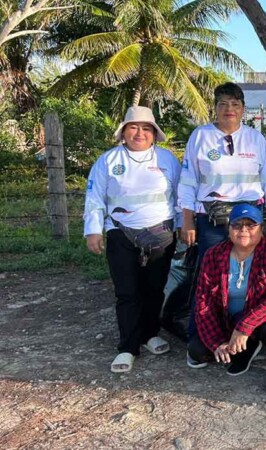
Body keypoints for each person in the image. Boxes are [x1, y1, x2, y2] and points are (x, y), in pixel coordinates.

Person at [178, 82, 266, 350]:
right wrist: (186, 220)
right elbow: (188, 181)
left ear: (243, 109)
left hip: (249, 217)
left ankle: (247, 337)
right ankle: (201, 339)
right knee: (210, 280)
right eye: (223, 104)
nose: (229, 110)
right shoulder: (200, 137)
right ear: (215, 108)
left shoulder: (256, 139)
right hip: (212, 220)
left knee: (250, 277)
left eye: (235, 104)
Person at [83, 106, 181, 373]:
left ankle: (150, 334)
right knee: (127, 291)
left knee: (154, 288)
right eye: (133, 127)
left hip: (160, 233)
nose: (140, 133)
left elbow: (180, 196)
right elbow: (94, 197)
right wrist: (93, 230)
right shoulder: (108, 160)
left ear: (154, 134)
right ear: (124, 132)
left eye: (146, 128)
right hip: (120, 232)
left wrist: (183, 226)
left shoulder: (168, 160)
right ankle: (128, 347)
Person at [189, 204, 266, 400]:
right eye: (237, 225)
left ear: (262, 229)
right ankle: (246, 349)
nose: (243, 230)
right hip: (230, 318)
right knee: (198, 350)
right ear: (228, 229)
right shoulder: (213, 255)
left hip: (261, 317)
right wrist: (217, 343)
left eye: (250, 225)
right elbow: (203, 303)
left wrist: (244, 327)